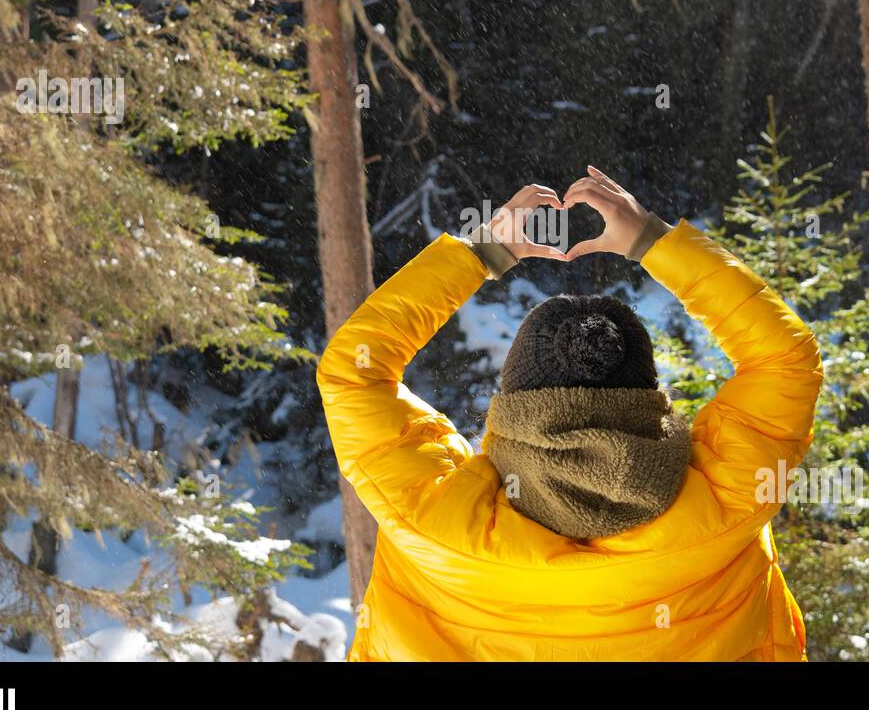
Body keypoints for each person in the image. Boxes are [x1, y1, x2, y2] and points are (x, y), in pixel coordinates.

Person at [316, 166, 824, 661]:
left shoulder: (433, 519)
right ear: (649, 397)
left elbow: (353, 373)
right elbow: (785, 360)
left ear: (513, 400)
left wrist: (484, 252)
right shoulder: (726, 498)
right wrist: (652, 241)